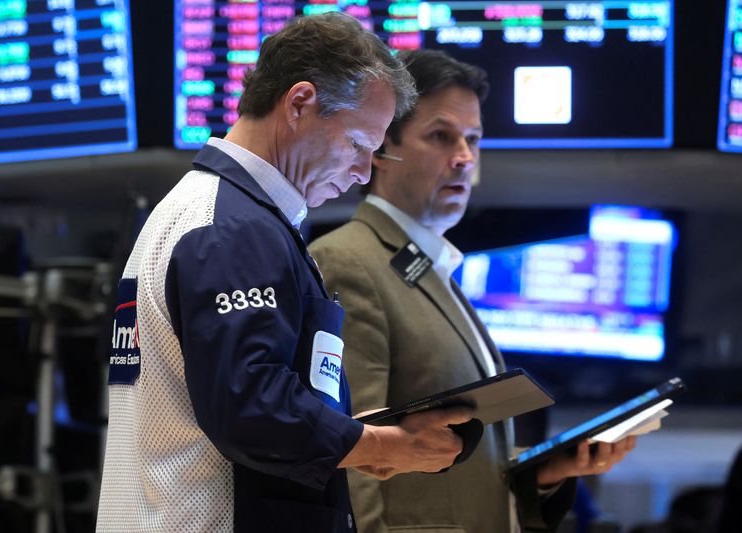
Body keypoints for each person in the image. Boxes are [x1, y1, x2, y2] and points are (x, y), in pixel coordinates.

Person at [96, 15, 475, 533]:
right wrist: (385, 445)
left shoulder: (207, 212)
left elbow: (232, 400)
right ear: (299, 104)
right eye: (360, 145)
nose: (364, 172)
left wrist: (359, 444)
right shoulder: (232, 229)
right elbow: (251, 407)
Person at [309, 49, 637, 533]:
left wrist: (547, 472)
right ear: (380, 147)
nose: (464, 158)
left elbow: (461, 469)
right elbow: (351, 452)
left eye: (473, 140)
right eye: (441, 137)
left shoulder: (429, 269)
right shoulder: (349, 261)